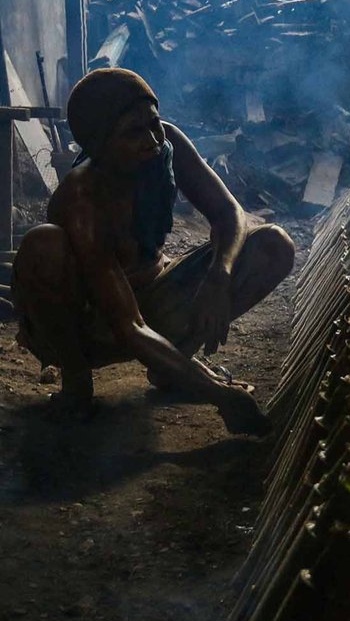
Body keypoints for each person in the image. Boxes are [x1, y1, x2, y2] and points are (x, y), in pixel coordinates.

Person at [12, 68, 295, 435]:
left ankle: (173, 366)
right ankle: (76, 383)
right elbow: (128, 325)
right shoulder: (83, 197)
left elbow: (230, 213)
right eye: (132, 132)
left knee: (273, 245)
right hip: (92, 325)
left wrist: (219, 274)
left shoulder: (166, 146)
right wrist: (221, 396)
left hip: (154, 296)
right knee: (43, 244)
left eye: (154, 123)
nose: (152, 140)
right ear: (100, 145)